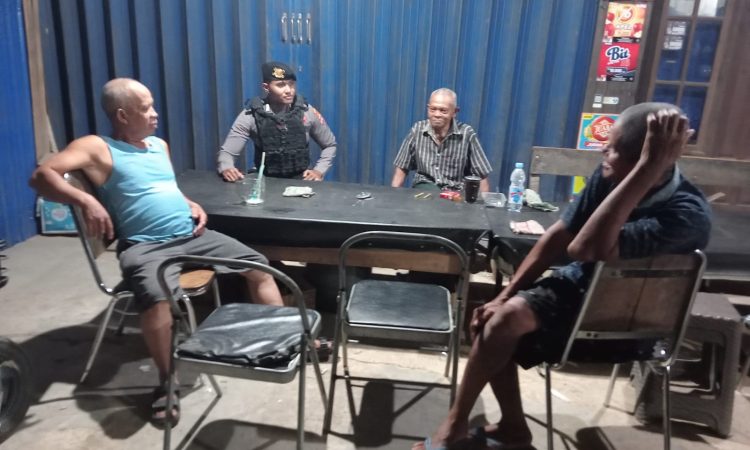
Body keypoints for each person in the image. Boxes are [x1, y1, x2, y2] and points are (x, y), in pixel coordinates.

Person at [413, 103, 712, 449]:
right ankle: (510, 428)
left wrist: (645, 171)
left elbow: (584, 248)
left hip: (630, 328)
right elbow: (559, 236)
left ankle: (458, 427)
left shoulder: (688, 215)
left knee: (500, 326)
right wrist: (504, 296)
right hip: (581, 296)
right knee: (489, 317)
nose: (602, 152)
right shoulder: (609, 176)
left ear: (643, 161)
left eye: (612, 149)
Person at [29, 78, 285, 426]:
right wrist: (86, 200)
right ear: (122, 115)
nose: (155, 114)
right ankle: (167, 381)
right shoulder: (97, 147)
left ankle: (283, 339)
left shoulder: (158, 145)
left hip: (193, 235)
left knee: (260, 266)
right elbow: (42, 176)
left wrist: (189, 202)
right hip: (146, 246)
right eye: (145, 108)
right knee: (156, 299)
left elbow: (162, 187)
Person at [217, 61, 337, 182]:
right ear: (266, 87)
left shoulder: (306, 111)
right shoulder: (251, 115)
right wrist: (227, 167)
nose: (289, 90)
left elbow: (330, 145)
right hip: (266, 180)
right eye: (281, 85)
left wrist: (319, 171)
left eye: (291, 84)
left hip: (301, 180)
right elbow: (227, 152)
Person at [392, 88, 492, 192]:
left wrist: (485, 200)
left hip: (455, 191)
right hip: (425, 189)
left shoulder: (466, 134)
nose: (437, 114)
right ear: (428, 108)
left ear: (455, 112)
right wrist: (393, 196)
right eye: (433, 109)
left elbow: (481, 174)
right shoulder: (417, 130)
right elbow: (401, 167)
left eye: (443, 110)